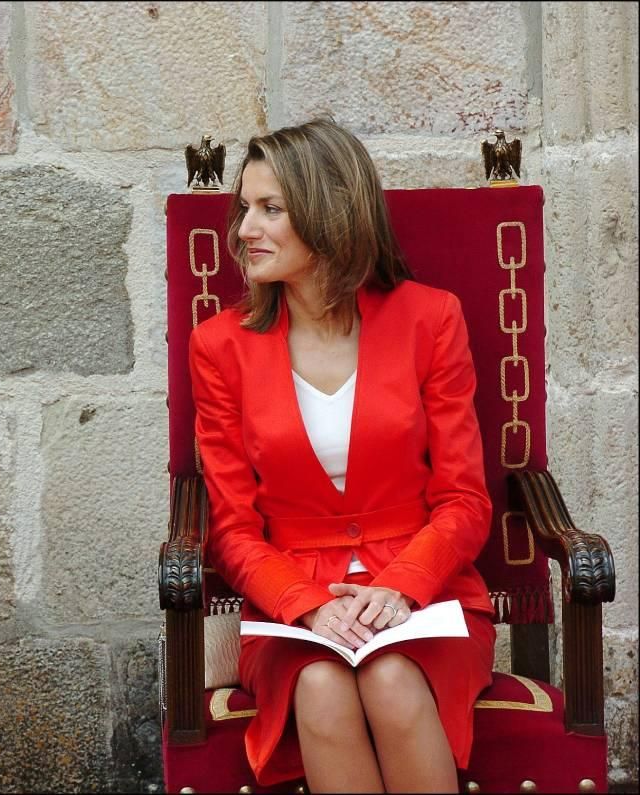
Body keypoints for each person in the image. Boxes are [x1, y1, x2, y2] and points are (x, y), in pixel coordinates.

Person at [189, 118, 495, 793]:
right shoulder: (220, 346)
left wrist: (399, 586)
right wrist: (306, 604)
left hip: (424, 593)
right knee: (323, 687)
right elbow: (233, 530)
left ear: (331, 213)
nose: (244, 229)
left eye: (270, 209)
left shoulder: (431, 319)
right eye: (245, 207)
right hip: (291, 608)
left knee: (389, 678)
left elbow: (465, 502)